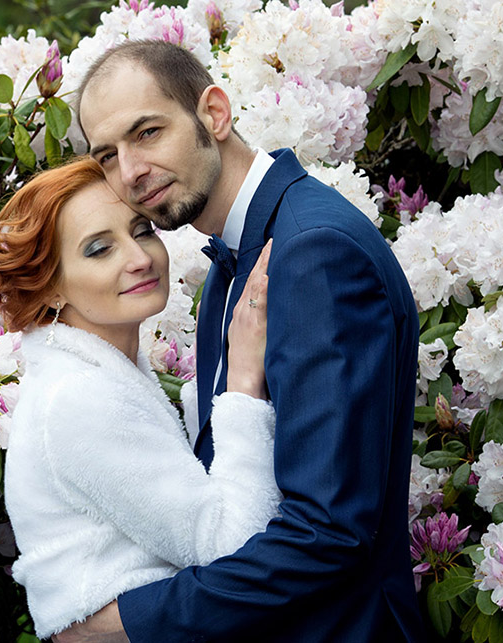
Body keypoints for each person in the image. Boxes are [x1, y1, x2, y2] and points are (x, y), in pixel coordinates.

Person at [66, 40, 425, 642]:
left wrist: (130, 624)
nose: (129, 172)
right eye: (107, 155)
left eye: (147, 133)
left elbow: (325, 531)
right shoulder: (235, 264)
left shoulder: (312, 251)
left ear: (213, 113)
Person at [0, 158, 281, 641]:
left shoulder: (102, 374)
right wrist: (244, 383)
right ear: (51, 285)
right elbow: (232, 546)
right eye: (100, 249)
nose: (140, 257)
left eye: (142, 230)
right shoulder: (79, 397)